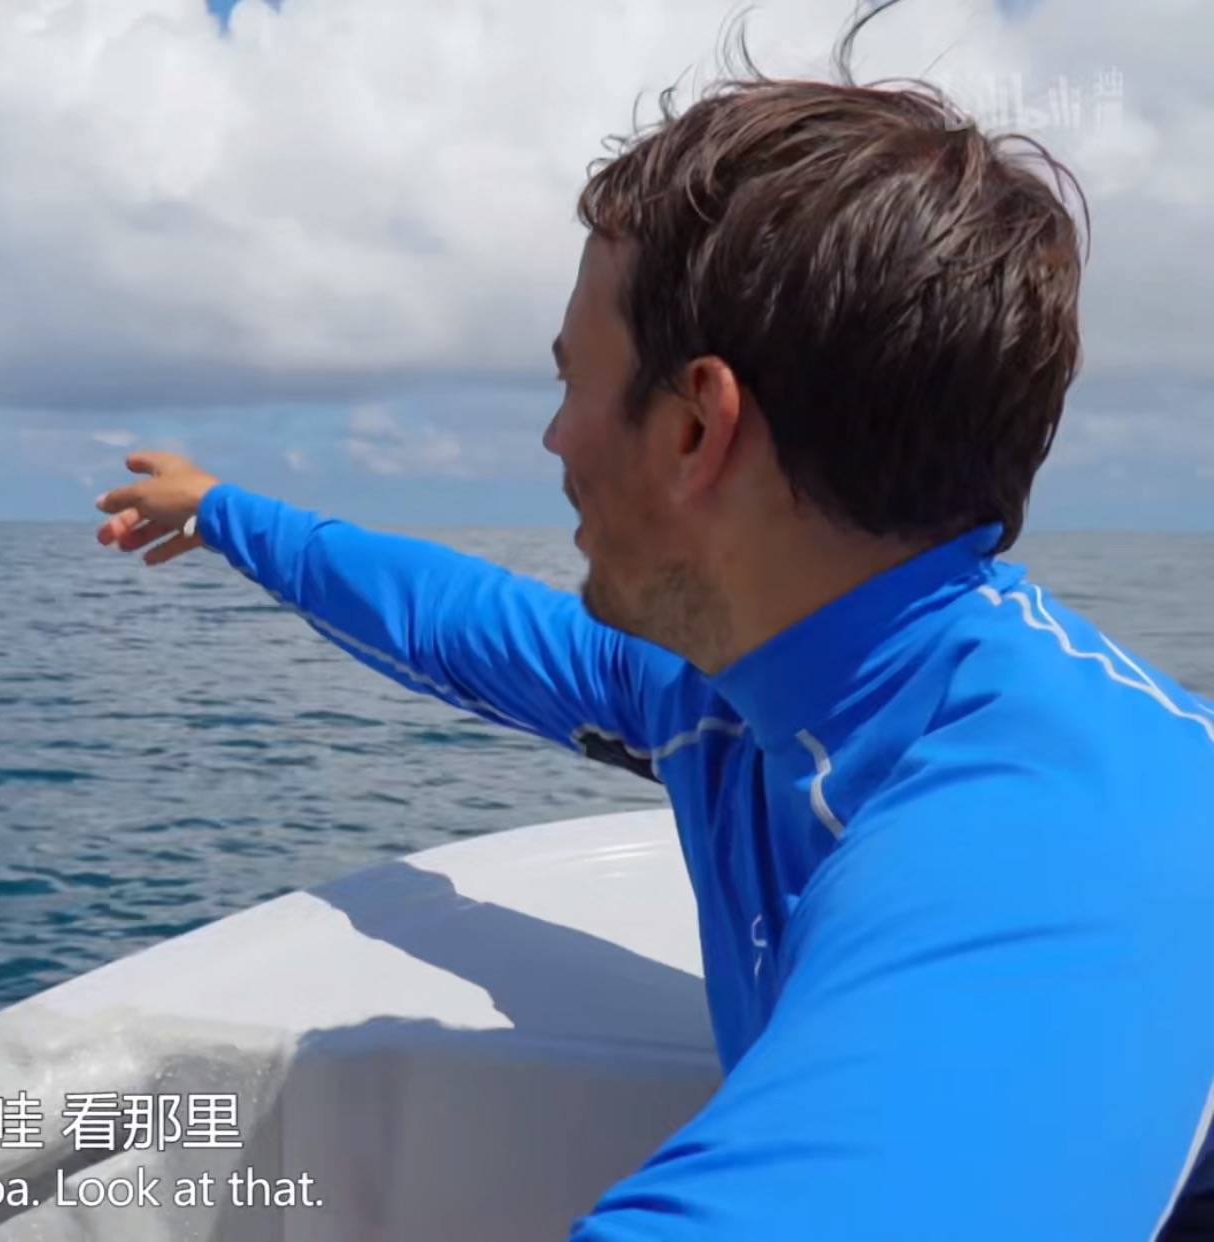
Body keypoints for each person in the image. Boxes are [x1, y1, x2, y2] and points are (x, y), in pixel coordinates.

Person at [91, 27, 1213, 1242]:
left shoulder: (1072, 829)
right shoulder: (753, 688)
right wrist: (218, 512)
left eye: (571, 380)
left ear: (693, 431)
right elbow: (459, 623)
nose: (554, 441)